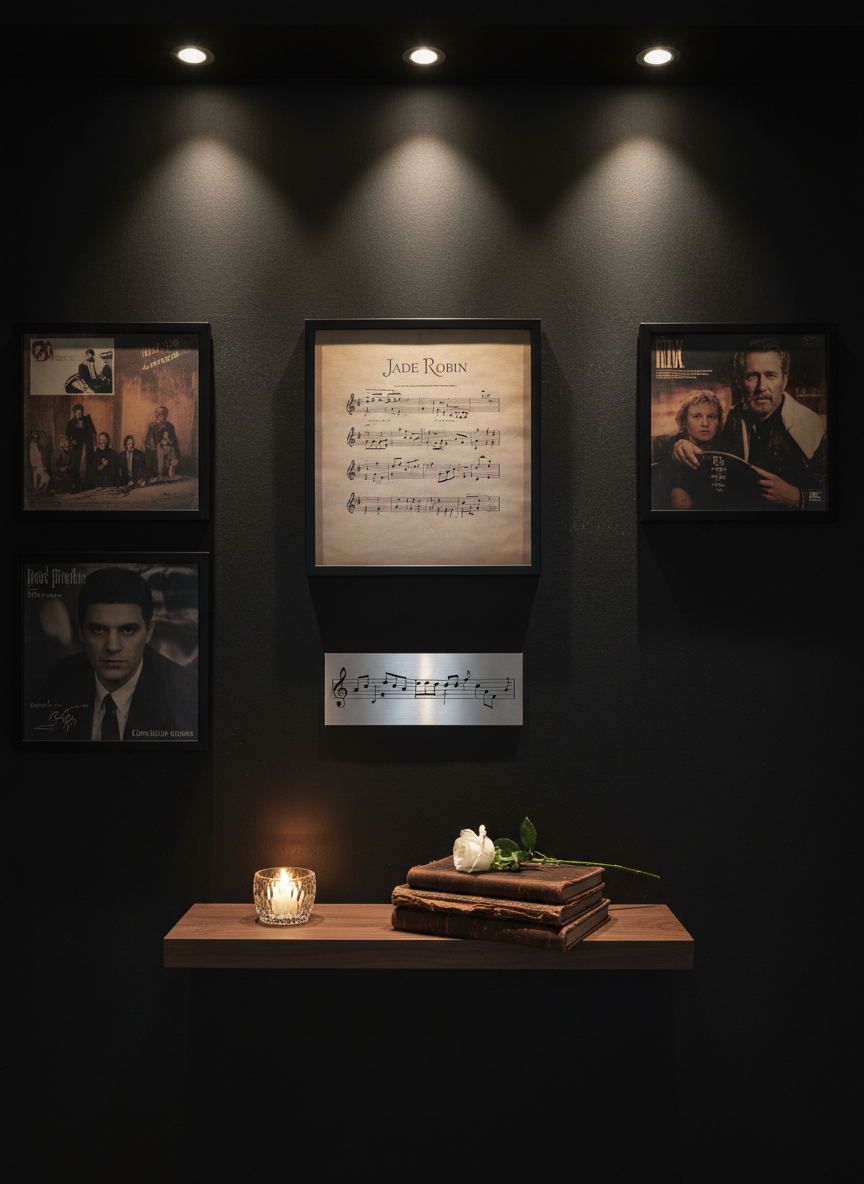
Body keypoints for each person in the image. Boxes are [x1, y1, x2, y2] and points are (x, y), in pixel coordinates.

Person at [30, 567, 197, 742]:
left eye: (128, 630)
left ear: (149, 632)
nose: (112, 647)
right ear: (81, 632)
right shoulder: (58, 680)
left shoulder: (187, 697)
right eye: (98, 630)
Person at [672, 338, 827, 509]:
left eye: (770, 375)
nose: (761, 387)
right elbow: (704, 448)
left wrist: (797, 496)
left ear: (784, 380)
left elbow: (833, 497)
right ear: (739, 382)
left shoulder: (815, 429)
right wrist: (681, 444)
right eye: (752, 376)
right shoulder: (732, 419)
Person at [652, 391, 724, 510]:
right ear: (685, 422)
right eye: (697, 416)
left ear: (718, 421)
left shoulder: (726, 446)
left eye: (711, 417)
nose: (705, 424)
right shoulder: (670, 445)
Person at [64, 403, 96, 493]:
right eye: (77, 413)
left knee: (88, 464)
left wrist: (93, 445)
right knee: (76, 465)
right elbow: (67, 435)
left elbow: (93, 432)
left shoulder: (87, 420)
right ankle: (76, 485)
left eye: (80, 413)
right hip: (76, 447)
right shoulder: (71, 423)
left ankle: (87, 485)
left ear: (82, 413)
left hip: (87, 446)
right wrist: (71, 441)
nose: (79, 415)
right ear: (74, 413)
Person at [145, 406, 181, 479]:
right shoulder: (152, 426)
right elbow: (148, 441)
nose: (159, 416)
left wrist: (175, 455)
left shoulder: (170, 426)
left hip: (168, 454)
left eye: (161, 414)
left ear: (166, 415)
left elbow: (175, 441)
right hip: (156, 455)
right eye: (157, 414)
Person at [27, 429, 51, 496]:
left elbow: (40, 455)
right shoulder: (31, 446)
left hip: (38, 464)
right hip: (36, 464)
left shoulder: (38, 445)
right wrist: (38, 464)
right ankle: (38, 489)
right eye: (34, 437)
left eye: (37, 438)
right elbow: (33, 457)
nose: (36, 439)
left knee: (45, 477)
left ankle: (41, 489)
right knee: (40, 477)